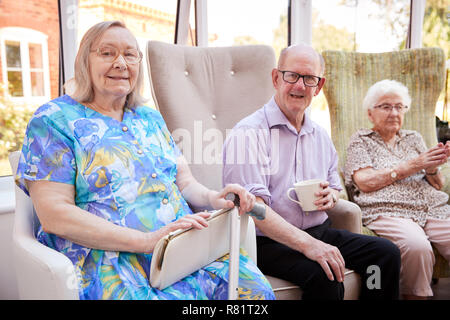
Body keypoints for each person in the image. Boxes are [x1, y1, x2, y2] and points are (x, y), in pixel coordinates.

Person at [15, 21, 274, 300]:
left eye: (129, 54)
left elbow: (184, 182)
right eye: (106, 53)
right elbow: (54, 214)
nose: (120, 63)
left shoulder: (149, 117)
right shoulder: (53, 120)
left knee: (255, 293)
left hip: (183, 250)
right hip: (113, 260)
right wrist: (146, 242)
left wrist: (214, 198)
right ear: (83, 62)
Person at [223, 44, 401, 300]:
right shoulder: (248, 134)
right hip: (265, 241)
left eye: (309, 79)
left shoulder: (319, 136)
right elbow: (255, 211)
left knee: (385, 254)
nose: (299, 86)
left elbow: (333, 188)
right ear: (276, 78)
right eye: (291, 75)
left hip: (319, 230)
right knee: (324, 275)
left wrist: (331, 197)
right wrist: (310, 246)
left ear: (318, 86)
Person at [344, 79, 450, 299]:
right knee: (416, 246)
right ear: (370, 113)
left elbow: (438, 183)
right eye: (385, 106)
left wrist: (431, 166)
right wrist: (412, 165)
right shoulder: (361, 141)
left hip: (430, 207)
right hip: (388, 209)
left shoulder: (414, 138)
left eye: (399, 107)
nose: (394, 112)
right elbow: (364, 181)